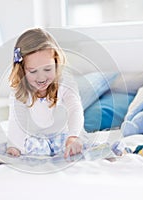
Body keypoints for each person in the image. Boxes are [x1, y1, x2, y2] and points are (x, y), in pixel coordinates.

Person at [6, 28, 84, 159]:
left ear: (56, 62)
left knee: (78, 145)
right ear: (23, 70)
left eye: (47, 69)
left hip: (63, 134)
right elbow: (16, 120)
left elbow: (74, 109)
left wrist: (73, 136)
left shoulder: (65, 82)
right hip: (35, 136)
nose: (41, 78)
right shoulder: (19, 90)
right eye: (33, 71)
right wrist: (14, 146)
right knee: (26, 147)